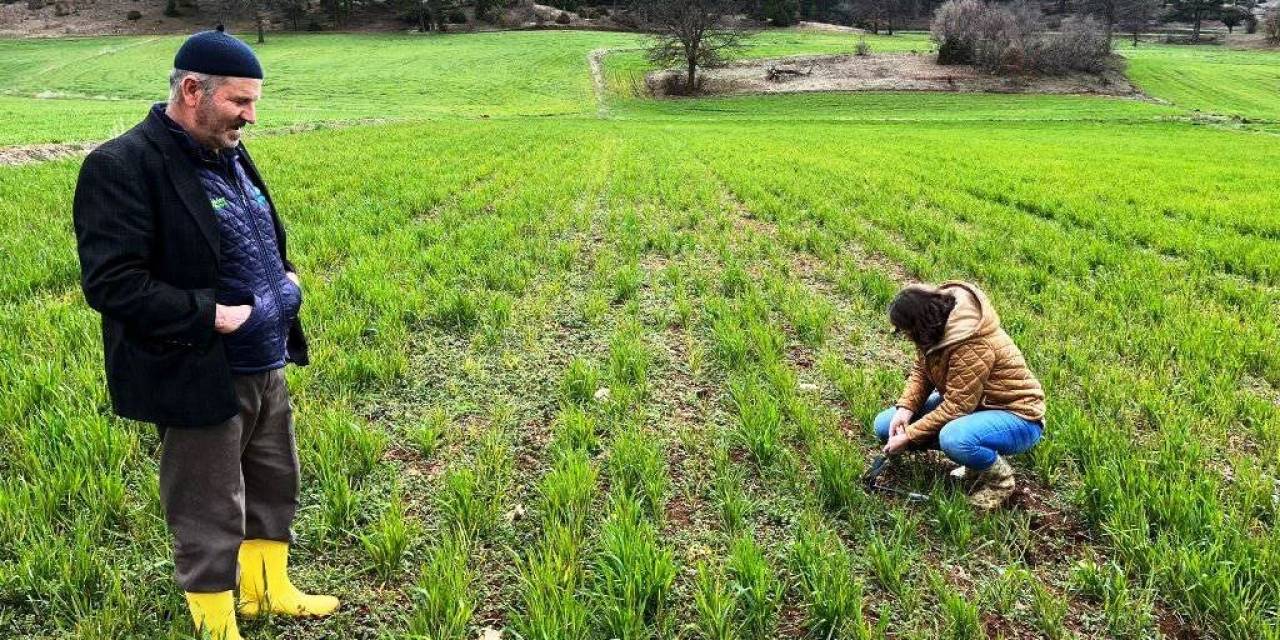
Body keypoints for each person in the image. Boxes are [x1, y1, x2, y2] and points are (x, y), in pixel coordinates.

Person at [72, 26, 337, 640]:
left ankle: (267, 593)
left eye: (254, 102)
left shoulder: (227, 151)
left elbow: (251, 233)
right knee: (207, 502)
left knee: (273, 481)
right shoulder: (122, 165)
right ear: (193, 90)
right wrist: (212, 314)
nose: (250, 116)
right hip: (198, 365)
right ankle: (216, 624)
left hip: (265, 358)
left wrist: (284, 280)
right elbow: (112, 283)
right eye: (239, 101)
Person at [874, 281, 1046, 510]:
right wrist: (905, 409)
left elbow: (956, 407)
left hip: (1017, 417)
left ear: (919, 324)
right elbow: (922, 371)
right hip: (975, 406)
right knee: (884, 425)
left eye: (904, 330)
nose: (904, 336)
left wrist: (910, 435)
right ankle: (973, 462)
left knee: (954, 438)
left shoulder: (971, 342)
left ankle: (1000, 482)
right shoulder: (934, 331)